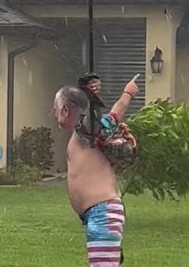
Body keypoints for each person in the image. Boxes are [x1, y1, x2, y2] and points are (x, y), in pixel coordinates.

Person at [52, 75, 139, 267]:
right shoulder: (82, 135)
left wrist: (127, 94)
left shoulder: (86, 129)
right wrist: (87, 91)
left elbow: (111, 119)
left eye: (55, 108)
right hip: (98, 213)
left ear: (65, 110)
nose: (53, 112)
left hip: (103, 212)